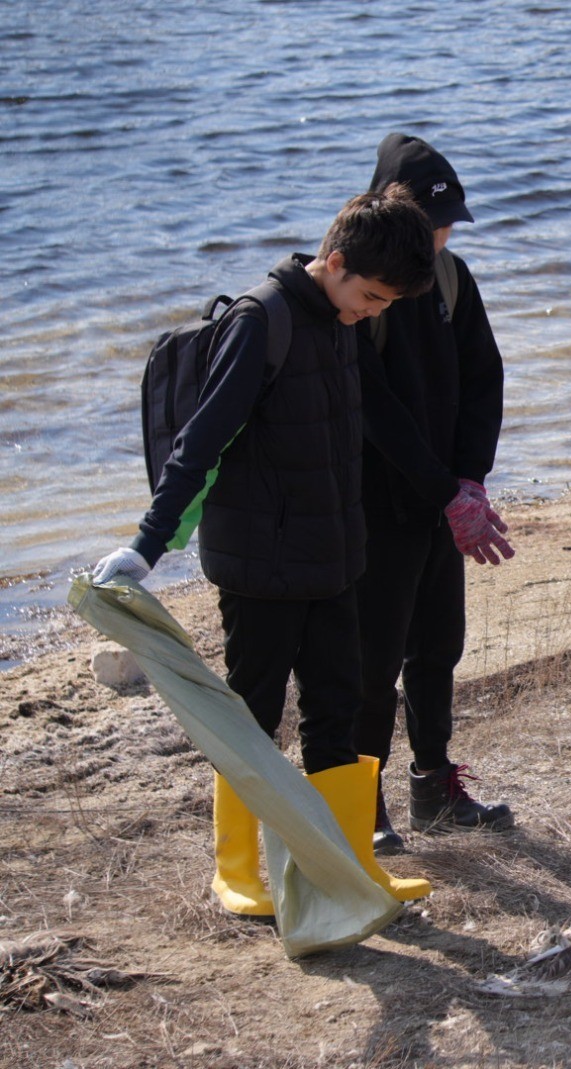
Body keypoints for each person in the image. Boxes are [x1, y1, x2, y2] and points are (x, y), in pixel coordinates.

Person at [92, 187, 439, 915]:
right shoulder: (262, 321)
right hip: (259, 568)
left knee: (336, 713)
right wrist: (147, 546)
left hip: (334, 560)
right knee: (249, 714)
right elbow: (199, 444)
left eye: (383, 304)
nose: (371, 312)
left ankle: (346, 873)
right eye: (369, 295)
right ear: (334, 261)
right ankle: (239, 871)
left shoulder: (341, 316)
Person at [353, 133, 515, 854]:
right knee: (372, 657)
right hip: (376, 505)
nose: (441, 237)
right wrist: (439, 489)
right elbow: (372, 405)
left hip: (442, 498)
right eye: (430, 222)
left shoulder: (452, 277)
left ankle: (433, 785)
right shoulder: (363, 287)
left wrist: (470, 481)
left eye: (447, 224)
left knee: (438, 646)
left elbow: (484, 378)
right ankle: (359, 801)